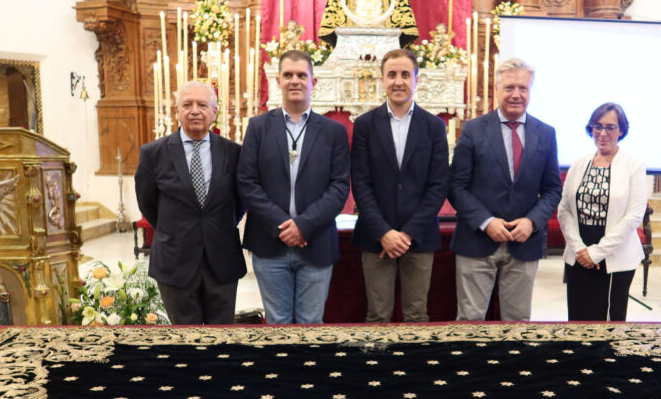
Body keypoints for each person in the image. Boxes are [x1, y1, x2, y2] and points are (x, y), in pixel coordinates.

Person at [238, 50, 351, 324]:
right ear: (278, 81)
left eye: (302, 75)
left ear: (314, 82)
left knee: (311, 323)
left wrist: (303, 225)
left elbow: (339, 187)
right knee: (278, 323)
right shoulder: (258, 127)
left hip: (316, 243)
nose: (295, 81)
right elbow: (247, 182)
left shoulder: (333, 131)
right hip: (269, 242)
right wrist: (282, 226)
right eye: (288, 75)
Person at [448, 58, 562, 321]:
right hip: (477, 241)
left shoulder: (546, 133)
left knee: (518, 323)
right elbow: (455, 185)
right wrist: (486, 222)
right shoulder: (473, 130)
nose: (516, 94)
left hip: (524, 243)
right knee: (470, 321)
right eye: (509, 87)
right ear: (496, 89)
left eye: (523, 88)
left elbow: (552, 189)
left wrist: (531, 222)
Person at [134, 81, 247, 324]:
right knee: (184, 339)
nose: (195, 111)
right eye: (187, 105)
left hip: (222, 260)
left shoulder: (234, 153)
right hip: (175, 261)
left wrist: (216, 226)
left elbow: (240, 202)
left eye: (202, 105)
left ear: (214, 112)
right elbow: (148, 204)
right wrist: (176, 230)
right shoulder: (153, 154)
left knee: (222, 337)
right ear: (177, 111)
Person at [351, 49, 449, 322]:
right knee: (377, 316)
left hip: (419, 236)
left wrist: (407, 234)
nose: (398, 81)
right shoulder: (364, 125)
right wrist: (385, 233)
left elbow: (438, 185)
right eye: (391, 74)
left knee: (417, 315)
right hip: (375, 236)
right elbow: (361, 183)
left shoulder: (434, 126)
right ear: (382, 80)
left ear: (416, 80)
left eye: (405, 75)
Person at [557, 102, 647, 321]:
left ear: (621, 130)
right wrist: (579, 249)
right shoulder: (579, 164)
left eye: (610, 127)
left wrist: (596, 253)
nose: (602, 133)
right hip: (579, 253)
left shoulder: (633, 166)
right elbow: (564, 210)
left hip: (615, 254)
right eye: (597, 126)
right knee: (578, 319)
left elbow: (634, 216)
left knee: (608, 322)